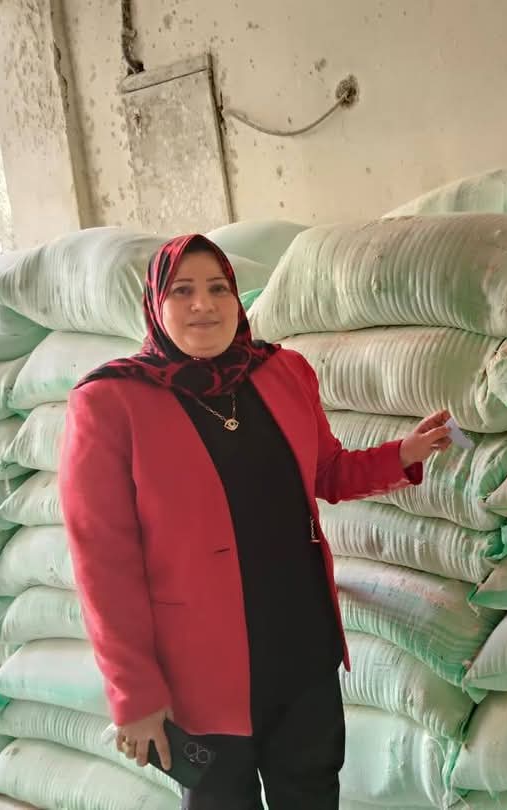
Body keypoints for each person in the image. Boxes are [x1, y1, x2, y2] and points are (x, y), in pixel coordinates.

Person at [59, 233, 452, 810]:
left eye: (218, 288)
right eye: (182, 290)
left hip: (301, 643)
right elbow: (103, 565)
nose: (204, 305)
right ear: (155, 303)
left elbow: (328, 472)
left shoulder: (281, 372)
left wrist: (405, 453)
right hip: (202, 668)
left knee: (312, 793)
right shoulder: (111, 401)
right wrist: (134, 694)